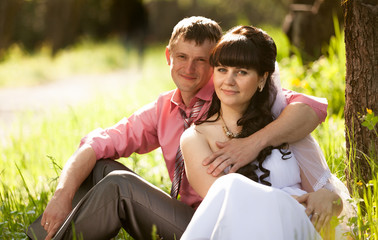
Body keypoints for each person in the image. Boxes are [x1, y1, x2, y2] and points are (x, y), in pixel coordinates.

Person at [27, 17, 328, 240]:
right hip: (188, 213)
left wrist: (253, 142)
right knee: (99, 166)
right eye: (182, 58)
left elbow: (313, 108)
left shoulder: (237, 93)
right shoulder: (164, 109)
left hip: (220, 219)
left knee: (119, 185)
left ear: (216, 61)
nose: (190, 69)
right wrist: (62, 194)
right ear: (169, 57)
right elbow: (97, 142)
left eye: (203, 61)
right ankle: (45, 234)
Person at [180, 25, 353, 239]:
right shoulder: (195, 138)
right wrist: (280, 201)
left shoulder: (284, 127)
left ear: (262, 79)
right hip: (244, 231)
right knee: (229, 185)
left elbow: (334, 200)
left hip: (299, 225)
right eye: (222, 70)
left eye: (241, 72)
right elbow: (224, 206)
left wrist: (327, 198)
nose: (229, 81)